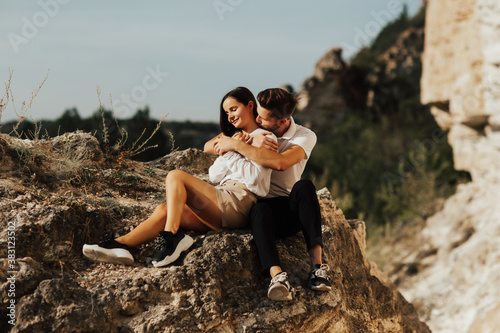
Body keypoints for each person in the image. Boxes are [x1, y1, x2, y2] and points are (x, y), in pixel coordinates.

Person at [83, 87, 277, 268]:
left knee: (176, 176)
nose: (230, 116)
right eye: (227, 113)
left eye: (233, 109)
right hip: (221, 198)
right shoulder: (233, 139)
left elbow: (257, 183)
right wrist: (231, 148)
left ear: (250, 106)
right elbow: (214, 175)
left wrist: (237, 148)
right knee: (165, 210)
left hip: (239, 203)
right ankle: (121, 245)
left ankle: (171, 237)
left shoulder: (265, 138)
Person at [209, 88, 332, 301]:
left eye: (261, 117)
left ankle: (317, 268)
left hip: (289, 210)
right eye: (256, 112)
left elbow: (281, 163)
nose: (255, 119)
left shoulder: (304, 136)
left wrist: (237, 145)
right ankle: (278, 277)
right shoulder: (257, 131)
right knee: (259, 208)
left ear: (282, 122)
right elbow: (211, 144)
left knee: (304, 187)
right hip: (261, 210)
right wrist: (233, 142)